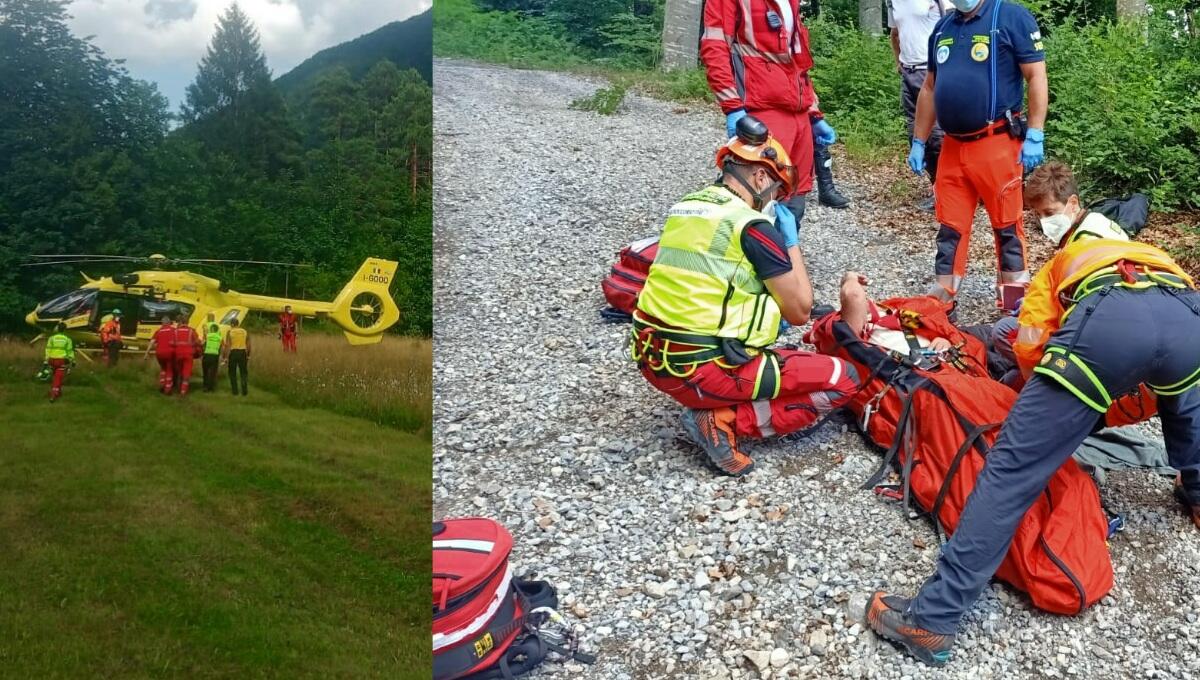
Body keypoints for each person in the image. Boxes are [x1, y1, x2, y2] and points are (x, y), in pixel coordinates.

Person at [865, 182, 1200, 666]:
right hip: (1188, 318)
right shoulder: (1143, 249)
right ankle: (1196, 495)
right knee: (1185, 399)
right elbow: (1174, 394)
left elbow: (1028, 344)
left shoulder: (1059, 266)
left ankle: (932, 620)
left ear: (1074, 213)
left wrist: (1033, 402)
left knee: (1011, 470)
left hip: (1111, 322)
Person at [631, 117, 859, 476]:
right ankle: (723, 420)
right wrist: (790, 242)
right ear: (760, 177)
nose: (774, 201)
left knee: (782, 353)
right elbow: (800, 309)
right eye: (777, 192)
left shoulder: (688, 206)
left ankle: (716, 403)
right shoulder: (752, 226)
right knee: (842, 377)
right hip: (701, 368)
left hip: (653, 357)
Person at [907, 0, 1048, 308]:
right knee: (950, 228)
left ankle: (1014, 302)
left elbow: (1036, 75)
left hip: (996, 143)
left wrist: (1036, 132)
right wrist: (919, 140)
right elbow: (929, 88)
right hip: (953, 147)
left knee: (1007, 226)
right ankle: (943, 299)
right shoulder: (944, 27)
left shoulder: (1010, 17)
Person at [700, 0, 838, 225]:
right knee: (755, 198)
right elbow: (714, 47)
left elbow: (797, 62)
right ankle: (746, 258)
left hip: (798, 114)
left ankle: (784, 257)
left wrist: (813, 113)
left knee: (795, 199)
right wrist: (732, 107)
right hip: (761, 111)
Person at [888, 0, 951, 212]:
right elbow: (895, 33)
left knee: (936, 137)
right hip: (909, 71)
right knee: (914, 134)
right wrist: (898, 61)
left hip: (933, 71)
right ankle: (937, 189)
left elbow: (954, 25)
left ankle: (949, 193)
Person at [43, 323, 75, 402]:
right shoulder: (67, 339)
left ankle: (59, 392)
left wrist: (46, 359)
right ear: (65, 329)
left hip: (52, 360)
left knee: (55, 377)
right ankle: (54, 394)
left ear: (57, 329)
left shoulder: (51, 338)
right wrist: (72, 360)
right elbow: (70, 351)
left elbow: (48, 349)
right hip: (61, 360)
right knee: (58, 378)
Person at [145, 316, 177, 395]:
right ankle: (168, 389)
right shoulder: (173, 330)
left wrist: (146, 353)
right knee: (169, 370)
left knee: (163, 369)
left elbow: (152, 342)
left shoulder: (158, 331)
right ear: (169, 322)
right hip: (169, 353)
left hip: (159, 353)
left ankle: (162, 384)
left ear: (162, 323)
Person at [171, 318, 201, 396]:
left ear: (181, 322)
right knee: (186, 372)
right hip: (188, 354)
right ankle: (183, 390)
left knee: (179, 371)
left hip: (178, 354)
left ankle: (178, 387)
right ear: (188, 322)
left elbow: (172, 343)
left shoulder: (176, 331)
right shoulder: (192, 331)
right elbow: (197, 342)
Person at [223, 317, 250, 396]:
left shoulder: (230, 332)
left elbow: (228, 345)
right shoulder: (245, 331)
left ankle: (235, 391)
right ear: (238, 324)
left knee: (232, 372)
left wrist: (225, 356)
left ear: (232, 324)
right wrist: (248, 355)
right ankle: (244, 391)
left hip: (233, 352)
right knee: (243, 372)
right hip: (242, 352)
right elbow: (248, 345)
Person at [202, 321, 222, 392]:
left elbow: (202, 343)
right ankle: (211, 387)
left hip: (207, 354)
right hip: (215, 355)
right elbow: (221, 346)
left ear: (212, 329)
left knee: (205, 371)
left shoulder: (207, 336)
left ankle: (205, 386)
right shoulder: (220, 337)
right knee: (213, 372)